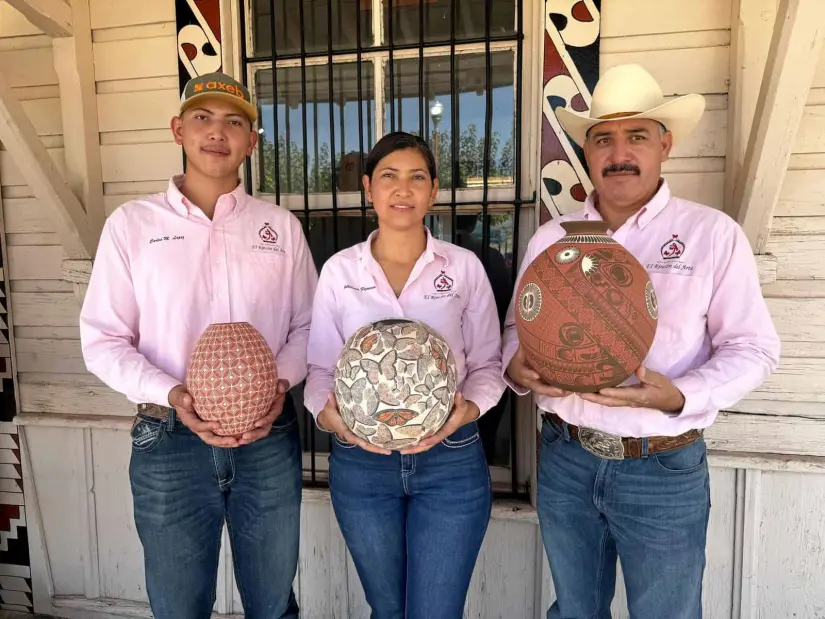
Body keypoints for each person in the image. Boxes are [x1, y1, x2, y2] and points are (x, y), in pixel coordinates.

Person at [502, 63, 781, 619]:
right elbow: (518, 328)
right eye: (603, 139)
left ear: (665, 145)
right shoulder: (554, 238)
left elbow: (754, 348)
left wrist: (677, 394)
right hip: (567, 457)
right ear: (587, 151)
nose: (619, 152)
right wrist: (518, 367)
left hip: (661, 466)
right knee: (577, 611)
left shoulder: (709, 233)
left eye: (637, 136)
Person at [79, 72, 317, 619]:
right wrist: (174, 394)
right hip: (168, 442)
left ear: (252, 141)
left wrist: (276, 385)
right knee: (179, 607)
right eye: (203, 118)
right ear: (178, 129)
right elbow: (103, 340)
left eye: (235, 122)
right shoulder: (132, 226)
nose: (218, 132)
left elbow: (310, 329)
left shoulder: (280, 228)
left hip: (267, 437)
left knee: (274, 605)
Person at [304, 131, 505, 619]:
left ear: (433, 190)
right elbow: (318, 371)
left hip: (451, 461)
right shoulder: (338, 271)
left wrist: (467, 411)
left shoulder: (463, 268)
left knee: (436, 611)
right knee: (388, 610)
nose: (403, 189)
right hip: (362, 463)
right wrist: (331, 420)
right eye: (389, 177)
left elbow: (488, 366)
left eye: (417, 178)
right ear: (369, 188)